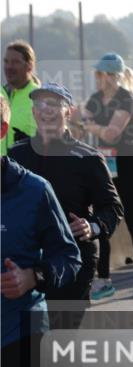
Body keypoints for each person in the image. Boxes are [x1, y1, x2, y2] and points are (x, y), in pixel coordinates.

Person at [1, 94, 82, 367]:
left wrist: (32, 277)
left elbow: (69, 258)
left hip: (14, 334)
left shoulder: (33, 190)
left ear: (2, 131)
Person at [8, 83, 122, 313]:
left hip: (72, 260)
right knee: (28, 342)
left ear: (68, 112)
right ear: (33, 112)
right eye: (39, 104)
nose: (45, 109)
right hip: (24, 260)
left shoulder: (88, 158)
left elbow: (113, 208)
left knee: (62, 337)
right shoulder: (16, 155)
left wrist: (93, 226)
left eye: (53, 104)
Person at [81, 53, 133, 300]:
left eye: (99, 74)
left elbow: (112, 133)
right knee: (102, 225)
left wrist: (88, 125)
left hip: (131, 166)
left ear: (111, 76)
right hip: (106, 168)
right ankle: (103, 281)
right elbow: (79, 124)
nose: (96, 78)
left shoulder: (125, 98)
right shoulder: (95, 99)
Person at [2, 41, 40, 155]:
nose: (9, 66)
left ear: (29, 66)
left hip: (25, 169)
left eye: (15, 62)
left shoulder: (40, 97)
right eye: (6, 61)